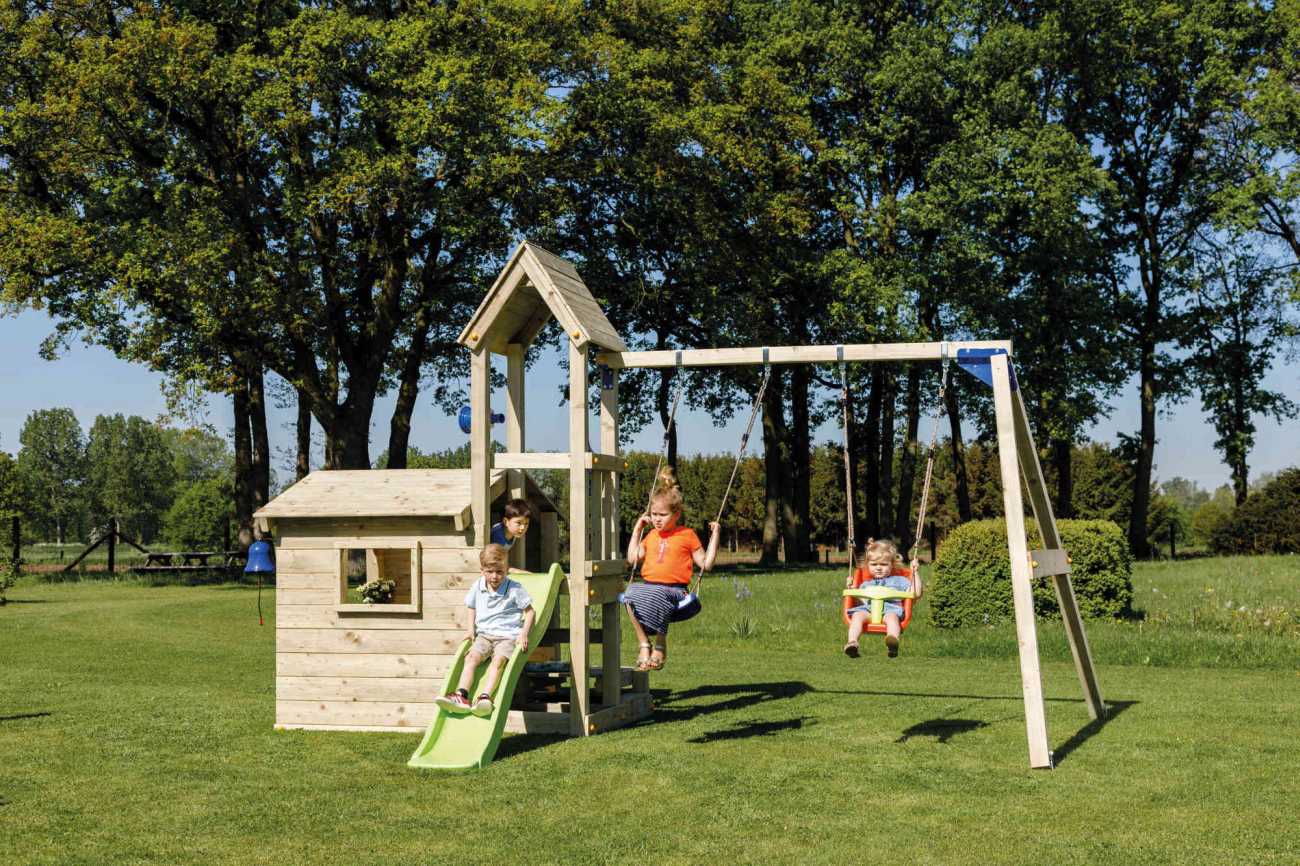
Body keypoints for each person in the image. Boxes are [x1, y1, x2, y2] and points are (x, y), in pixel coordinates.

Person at [623, 467, 721, 671]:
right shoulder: (651, 536)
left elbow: (706, 564)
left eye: (662, 515)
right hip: (649, 587)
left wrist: (716, 536)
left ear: (676, 513)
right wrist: (637, 530)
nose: (657, 519)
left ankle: (660, 644)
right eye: (654, 514)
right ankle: (644, 643)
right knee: (628, 595)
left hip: (676, 591)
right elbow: (632, 558)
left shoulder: (687, 535)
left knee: (660, 595)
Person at [434, 544, 535, 716]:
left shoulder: (514, 588)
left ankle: (485, 697)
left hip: (507, 636)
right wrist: (470, 629)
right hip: (484, 635)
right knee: (471, 658)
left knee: (498, 661)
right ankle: (462, 695)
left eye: (500, 572)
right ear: (482, 570)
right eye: (490, 572)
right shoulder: (478, 586)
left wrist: (524, 634)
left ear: (505, 570)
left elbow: (530, 611)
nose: (495, 576)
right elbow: (471, 606)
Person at [844, 538, 918, 659]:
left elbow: (916, 592)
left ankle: (892, 641)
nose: (878, 568)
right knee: (857, 616)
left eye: (883, 564)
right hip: (868, 611)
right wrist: (852, 589)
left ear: (892, 565)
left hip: (890, 610)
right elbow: (859, 602)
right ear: (868, 565)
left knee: (892, 619)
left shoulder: (900, 581)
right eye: (874, 564)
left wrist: (915, 573)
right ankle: (852, 642)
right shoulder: (866, 584)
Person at [490, 498, 531, 573]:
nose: (523, 528)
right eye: (519, 523)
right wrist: (515, 570)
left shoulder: (513, 533)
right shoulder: (498, 537)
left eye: (526, 524)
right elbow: (493, 563)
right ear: (506, 522)